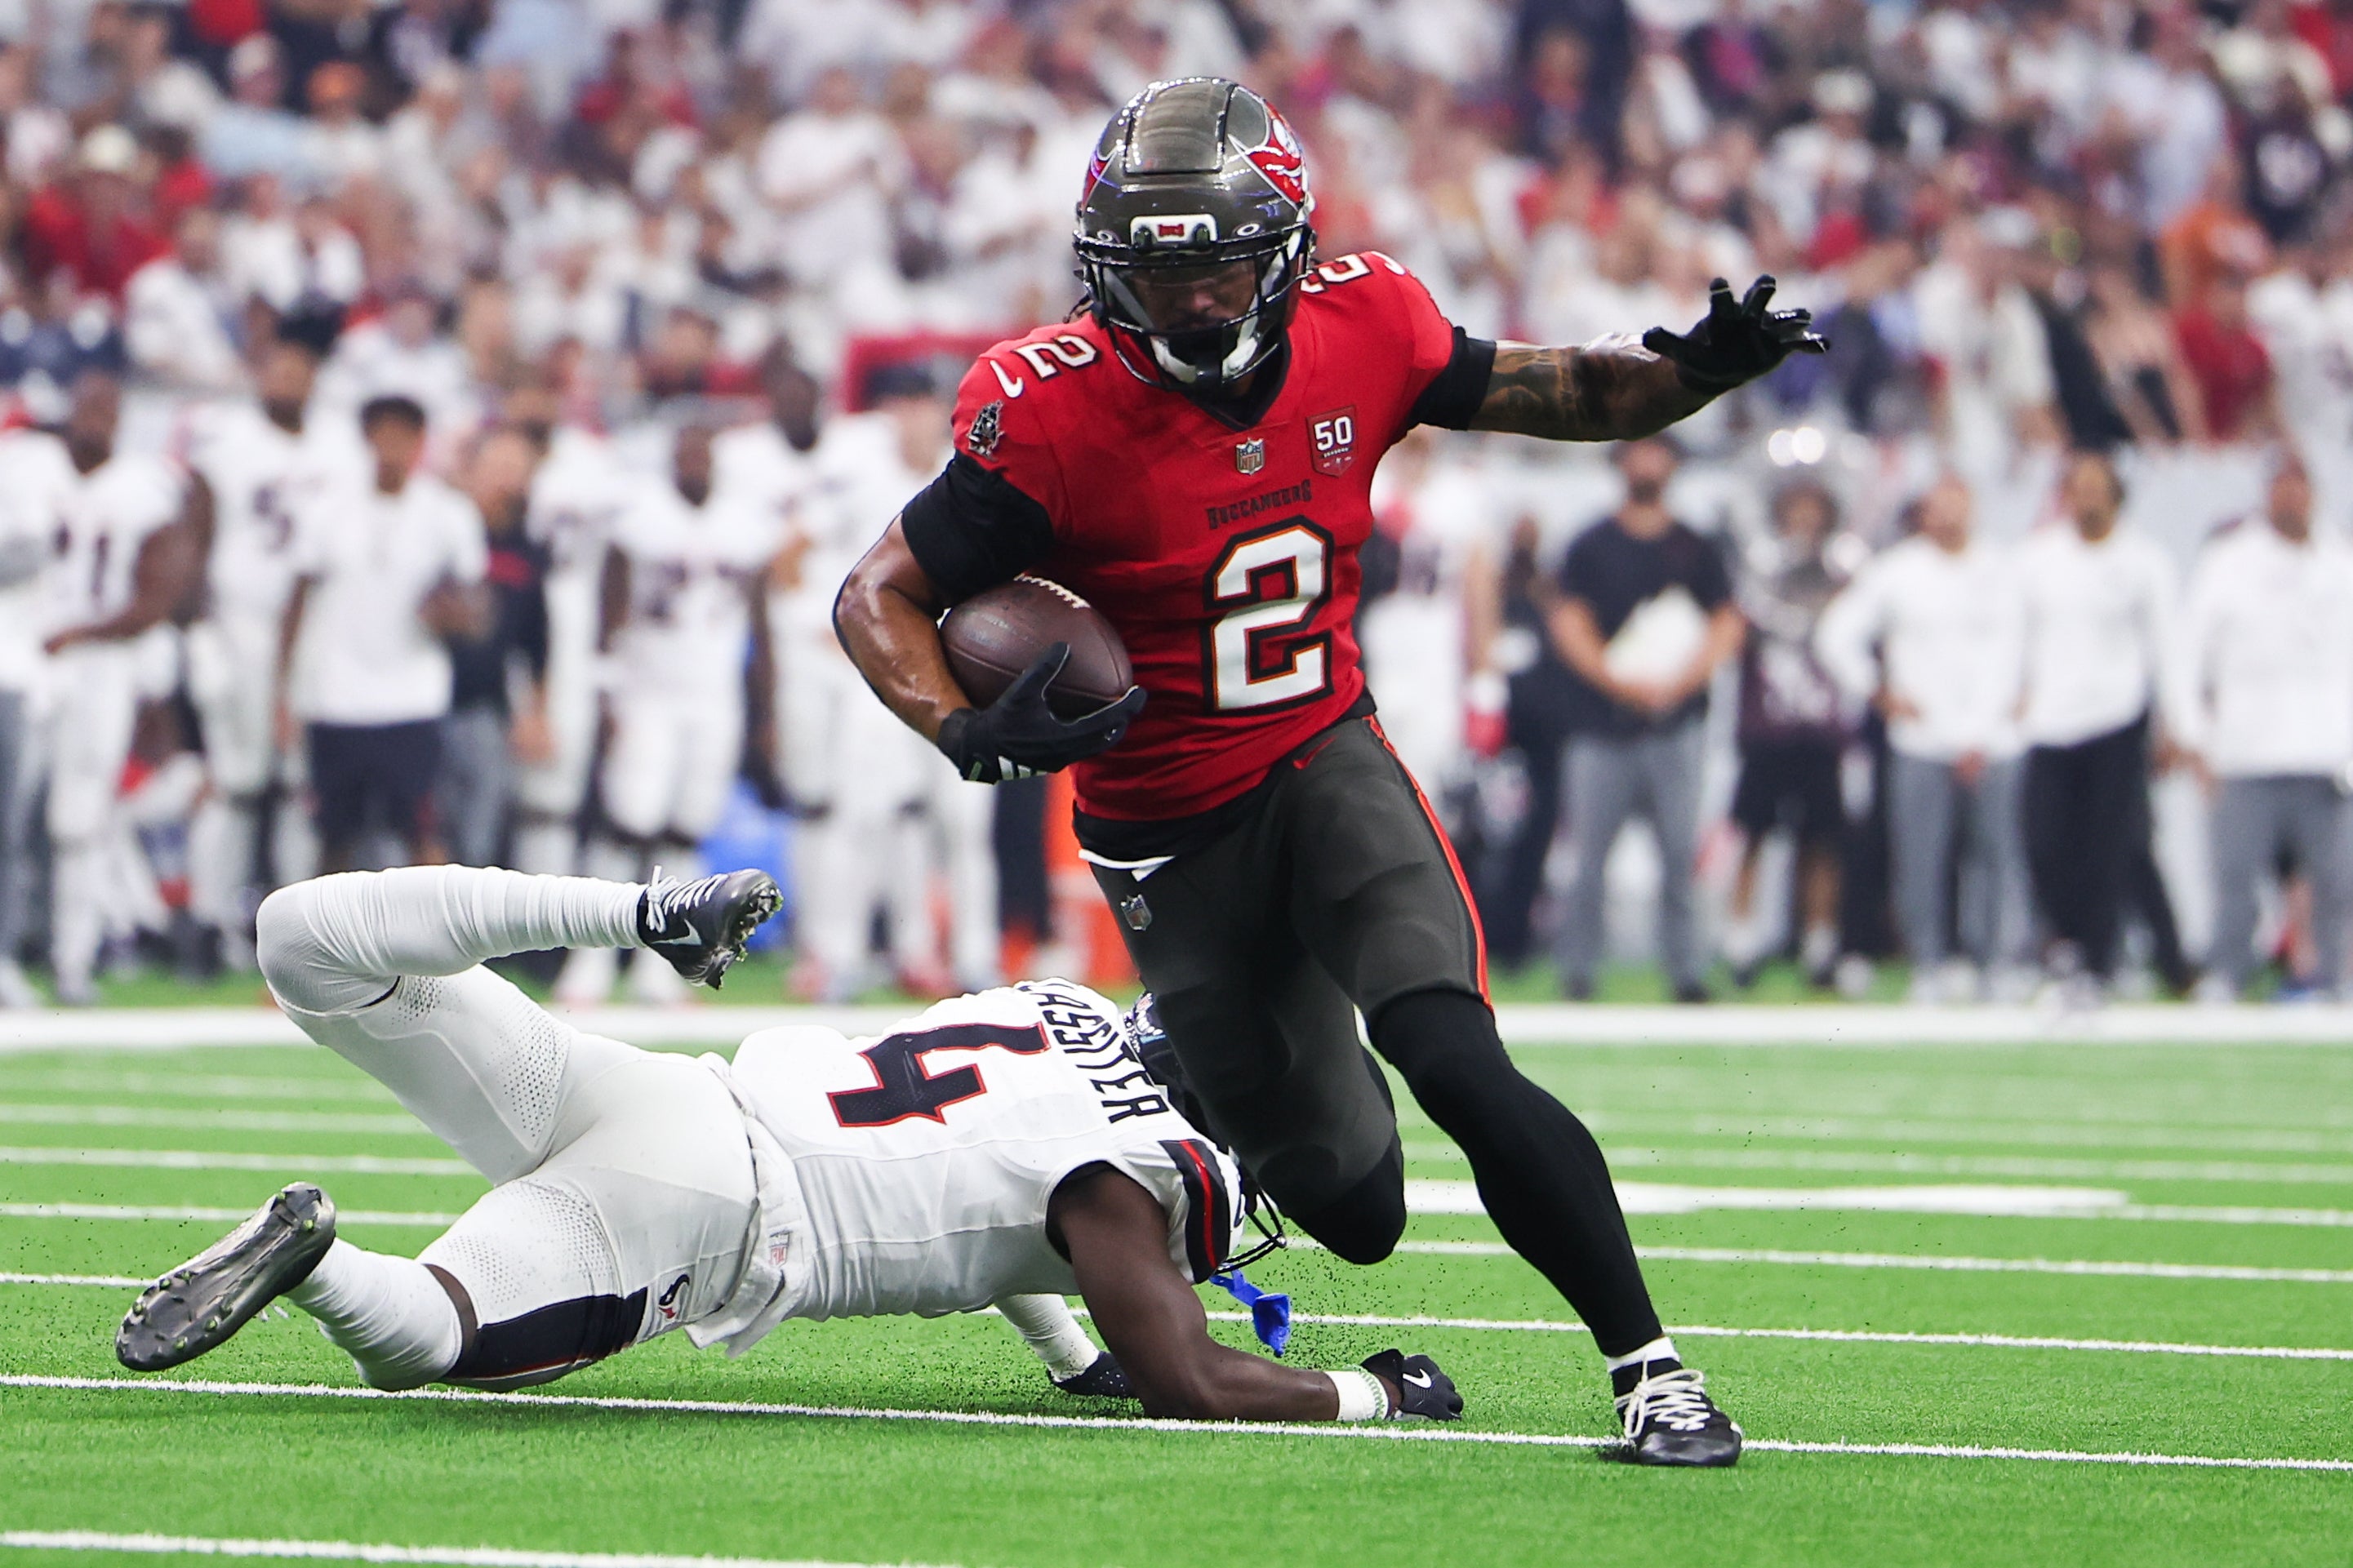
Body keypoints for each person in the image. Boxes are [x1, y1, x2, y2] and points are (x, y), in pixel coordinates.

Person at [834, 78, 1821, 1465]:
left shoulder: (1368, 323)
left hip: (1320, 760)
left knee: (1453, 1056)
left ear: (1286, 249)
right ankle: (1190, 1063)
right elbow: (877, 592)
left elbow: (1573, 389)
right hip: (1165, 832)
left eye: (1220, 261)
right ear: (1105, 268)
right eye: (1158, 267)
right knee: (1357, 1214)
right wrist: (956, 723)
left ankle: (1651, 1369)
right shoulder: (1046, 412)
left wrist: (1701, 369)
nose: (1189, 300)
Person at [116, 863, 1461, 1428]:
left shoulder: (1042, 1008)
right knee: (428, 1340)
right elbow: (1186, 1373)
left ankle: (642, 907)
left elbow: (994, 1180)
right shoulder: (1137, 1175)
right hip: (710, 1212)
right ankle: (318, 1260)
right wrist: (1372, 1392)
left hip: (661, 1091)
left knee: (310, 936)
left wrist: (1072, 1354)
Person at [554, 424, 776, 1007]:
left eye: (702, 452)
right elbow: (611, 599)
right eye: (685, 452)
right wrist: (606, 686)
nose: (694, 463)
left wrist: (764, 709)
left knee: (686, 829)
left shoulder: (743, 523)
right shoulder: (642, 516)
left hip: (714, 696)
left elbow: (759, 619)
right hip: (648, 690)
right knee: (628, 821)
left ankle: (663, 963)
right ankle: (592, 959)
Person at [180, 332, 363, 966]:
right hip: (241, 626)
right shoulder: (226, 439)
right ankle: (206, 921)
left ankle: (291, 927)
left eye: (300, 368)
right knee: (236, 781)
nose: (288, 379)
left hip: (320, 631)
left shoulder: (339, 442)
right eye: (277, 366)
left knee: (296, 785)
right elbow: (195, 535)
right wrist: (199, 629)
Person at [1816, 476, 2029, 1001]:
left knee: (1996, 857)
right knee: (1920, 858)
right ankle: (1929, 964)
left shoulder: (2005, 570)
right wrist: (1878, 691)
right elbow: (1836, 636)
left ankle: (1993, 962)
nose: (1948, 516)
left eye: (1958, 504)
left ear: (1974, 507)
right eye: (1938, 506)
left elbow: (2031, 642)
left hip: (1996, 738)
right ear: (1924, 514)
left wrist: (2019, 702)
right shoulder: (1898, 572)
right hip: (1922, 737)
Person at [1550, 437, 1746, 1003]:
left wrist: (1678, 683)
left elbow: (1726, 623)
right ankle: (1578, 969)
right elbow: (1570, 624)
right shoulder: (1591, 544)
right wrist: (1619, 682)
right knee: (1588, 859)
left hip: (1675, 722)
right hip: (1601, 724)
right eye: (1638, 449)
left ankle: (1686, 971)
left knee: (1680, 856)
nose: (1648, 461)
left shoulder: (1697, 546)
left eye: (1657, 450)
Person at [33, 371, 201, 1004]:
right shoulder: (31, 468)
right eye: (87, 405)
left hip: (97, 669)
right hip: (25, 660)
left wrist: (75, 634)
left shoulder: (142, 488)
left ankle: (74, 958)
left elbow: (158, 593)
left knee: (78, 818)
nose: (95, 418)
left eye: (107, 407)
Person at [277, 394, 491, 874]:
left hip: (412, 693)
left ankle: (441, 946)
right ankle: (326, 946)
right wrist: (284, 690)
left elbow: (477, 604)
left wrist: (454, 614)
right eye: (383, 435)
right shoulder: (329, 508)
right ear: (367, 439)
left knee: (419, 831)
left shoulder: (447, 513)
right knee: (335, 836)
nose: (392, 448)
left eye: (404, 436)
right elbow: (297, 601)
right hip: (336, 693)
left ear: (420, 443)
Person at [2166, 452, 2353, 997]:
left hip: (2328, 750)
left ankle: (2333, 975)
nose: (2291, 498)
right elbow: (2188, 652)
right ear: (2267, 493)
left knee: (2336, 879)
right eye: (2282, 487)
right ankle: (2228, 972)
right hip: (2246, 748)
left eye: (2300, 487)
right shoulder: (2229, 562)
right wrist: (2194, 734)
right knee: (2236, 875)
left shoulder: (2340, 561)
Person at [2016, 451, 2177, 998]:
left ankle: (2098, 960)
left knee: (2108, 848)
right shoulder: (2038, 558)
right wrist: (2009, 696)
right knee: (2044, 841)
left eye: (2095, 487)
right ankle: (2065, 942)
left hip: (2117, 717)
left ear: (2115, 495)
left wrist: (2176, 725)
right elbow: (2015, 636)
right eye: (2076, 487)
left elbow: (2166, 649)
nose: (2085, 498)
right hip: (2051, 720)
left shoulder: (2144, 561)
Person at [1722, 479, 1854, 990]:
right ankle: (1741, 941)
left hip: (1820, 729)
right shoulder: (1759, 575)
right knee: (1753, 834)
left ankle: (1819, 944)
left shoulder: (1840, 575)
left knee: (1822, 840)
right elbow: (1737, 632)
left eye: (1813, 507)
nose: (1803, 518)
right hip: (1767, 727)